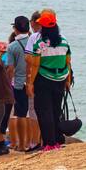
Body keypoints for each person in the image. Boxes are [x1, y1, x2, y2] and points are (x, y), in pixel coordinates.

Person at [26, 11, 73, 153]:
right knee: (55, 109)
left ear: (43, 27)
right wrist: (68, 80)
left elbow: (35, 65)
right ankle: (58, 140)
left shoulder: (40, 44)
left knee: (43, 110)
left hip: (43, 79)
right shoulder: (64, 41)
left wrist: (30, 83)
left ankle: (49, 142)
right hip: (60, 78)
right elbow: (68, 62)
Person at [4, 16, 36, 152]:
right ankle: (32, 142)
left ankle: (22, 145)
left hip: (19, 83)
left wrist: (7, 84)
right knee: (33, 114)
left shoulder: (12, 46)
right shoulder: (34, 41)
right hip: (35, 82)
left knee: (21, 114)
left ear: (15, 29)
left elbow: (10, 68)